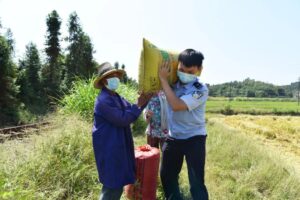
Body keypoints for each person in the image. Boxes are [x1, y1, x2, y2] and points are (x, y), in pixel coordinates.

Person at [92, 62, 152, 200]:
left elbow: (131, 110)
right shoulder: (103, 100)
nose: (114, 79)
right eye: (110, 76)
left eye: (115, 76)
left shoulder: (116, 97)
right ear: (103, 81)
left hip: (118, 146)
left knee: (116, 184)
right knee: (111, 187)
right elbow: (123, 119)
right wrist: (139, 104)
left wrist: (145, 100)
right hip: (109, 147)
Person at [159, 49, 209, 200]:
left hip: (194, 138)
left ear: (199, 70)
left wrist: (163, 80)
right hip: (174, 137)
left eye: (190, 71)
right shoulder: (173, 84)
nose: (184, 73)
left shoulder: (200, 90)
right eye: (181, 69)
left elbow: (176, 105)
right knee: (167, 176)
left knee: (196, 181)